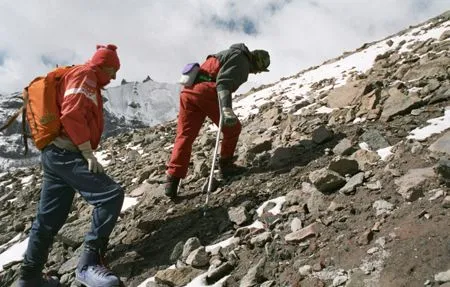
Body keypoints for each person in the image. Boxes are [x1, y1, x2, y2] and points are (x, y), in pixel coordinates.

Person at [18, 45, 124, 287]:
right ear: (102, 66)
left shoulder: (80, 75)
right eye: (112, 70)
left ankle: (29, 277)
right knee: (110, 195)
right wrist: (87, 152)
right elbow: (72, 114)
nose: (114, 77)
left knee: (48, 219)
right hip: (66, 152)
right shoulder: (85, 75)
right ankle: (88, 265)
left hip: (53, 154)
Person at [165, 43, 270, 198]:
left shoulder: (227, 53)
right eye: (259, 70)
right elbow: (224, 82)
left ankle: (172, 182)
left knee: (185, 136)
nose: (256, 73)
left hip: (188, 91)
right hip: (206, 91)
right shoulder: (242, 61)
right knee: (232, 129)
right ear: (257, 62)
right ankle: (226, 167)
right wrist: (226, 109)